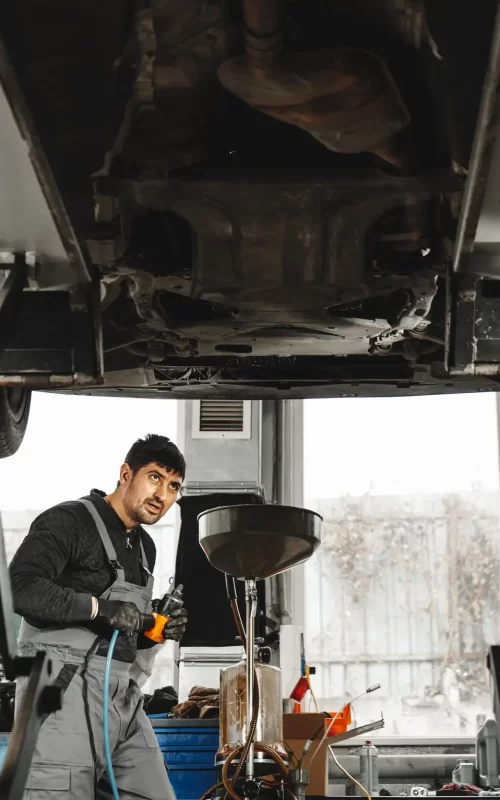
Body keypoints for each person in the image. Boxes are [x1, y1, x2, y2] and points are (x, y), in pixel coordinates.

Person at [9, 433, 188, 800]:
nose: (162, 495)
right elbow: (19, 588)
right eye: (155, 477)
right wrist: (99, 609)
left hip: (121, 695)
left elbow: (120, 635)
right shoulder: (69, 521)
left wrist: (155, 629)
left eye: (173, 487)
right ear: (126, 474)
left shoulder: (143, 547)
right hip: (61, 688)